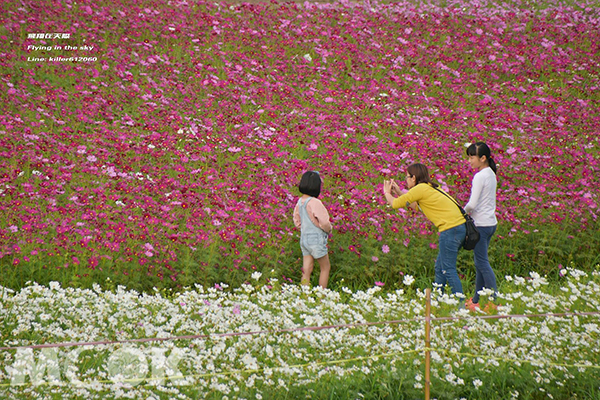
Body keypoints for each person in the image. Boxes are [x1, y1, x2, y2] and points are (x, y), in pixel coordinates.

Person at [383, 163, 466, 305]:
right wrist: (398, 191)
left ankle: (460, 305)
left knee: (448, 269)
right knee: (440, 268)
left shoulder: (420, 188)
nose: (406, 180)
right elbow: (415, 206)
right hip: (458, 228)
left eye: (407, 177)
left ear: (414, 178)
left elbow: (396, 204)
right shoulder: (430, 186)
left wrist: (386, 193)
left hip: (450, 229)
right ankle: (437, 302)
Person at [464, 142, 499, 312]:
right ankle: (476, 300)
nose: (469, 161)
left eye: (472, 157)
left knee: (482, 263)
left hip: (481, 225)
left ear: (482, 158)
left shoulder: (480, 176)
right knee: (479, 263)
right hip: (491, 222)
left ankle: (494, 300)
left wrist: (462, 213)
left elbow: (472, 204)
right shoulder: (491, 173)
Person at [293, 171, 332, 288]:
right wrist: (328, 229)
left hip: (304, 239)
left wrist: (304, 229)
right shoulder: (315, 202)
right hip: (316, 238)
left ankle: (305, 296)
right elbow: (324, 222)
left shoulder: (299, 202)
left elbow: (297, 221)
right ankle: (321, 295)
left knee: (307, 269)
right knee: (325, 267)